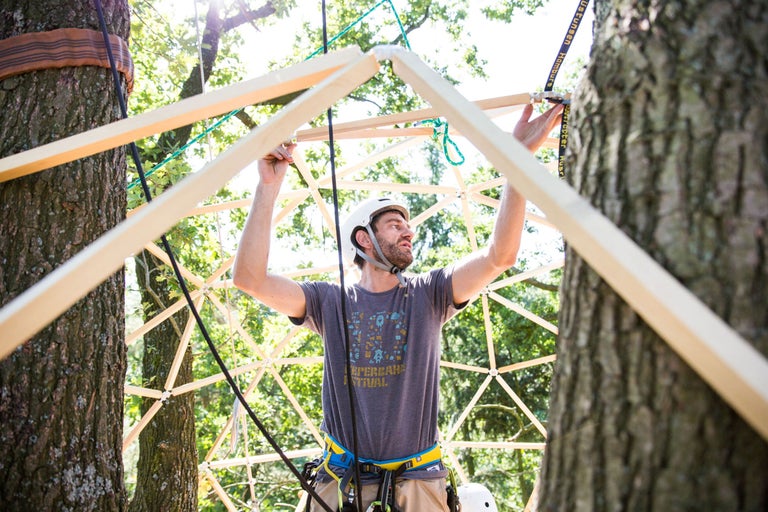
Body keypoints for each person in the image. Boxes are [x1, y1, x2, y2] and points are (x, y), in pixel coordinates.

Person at [232, 102, 564, 512]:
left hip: (419, 481)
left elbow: (500, 256)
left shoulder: (429, 293)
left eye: (407, 224)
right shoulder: (327, 302)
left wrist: (518, 162)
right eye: (394, 224)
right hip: (342, 481)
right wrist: (268, 185)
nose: (408, 231)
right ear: (364, 240)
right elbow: (249, 278)